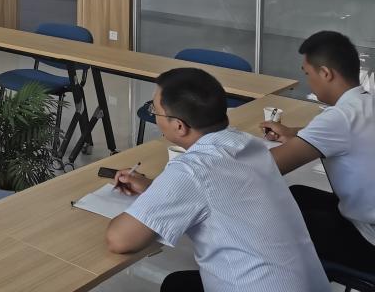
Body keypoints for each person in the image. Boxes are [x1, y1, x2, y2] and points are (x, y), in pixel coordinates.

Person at [105, 67, 327, 292]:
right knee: (178, 284)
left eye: (155, 110)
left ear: (179, 126)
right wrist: (155, 188)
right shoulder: (247, 143)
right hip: (306, 285)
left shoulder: (193, 169)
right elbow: (217, 190)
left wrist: (154, 196)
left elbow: (120, 240)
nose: (153, 115)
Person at [262, 30, 375, 273]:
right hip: (366, 217)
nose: (307, 82)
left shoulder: (339, 117)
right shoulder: (366, 103)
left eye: (307, 74)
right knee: (297, 195)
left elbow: (265, 167)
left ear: (325, 73)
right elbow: (349, 134)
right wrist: (294, 133)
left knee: (272, 222)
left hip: (369, 242)